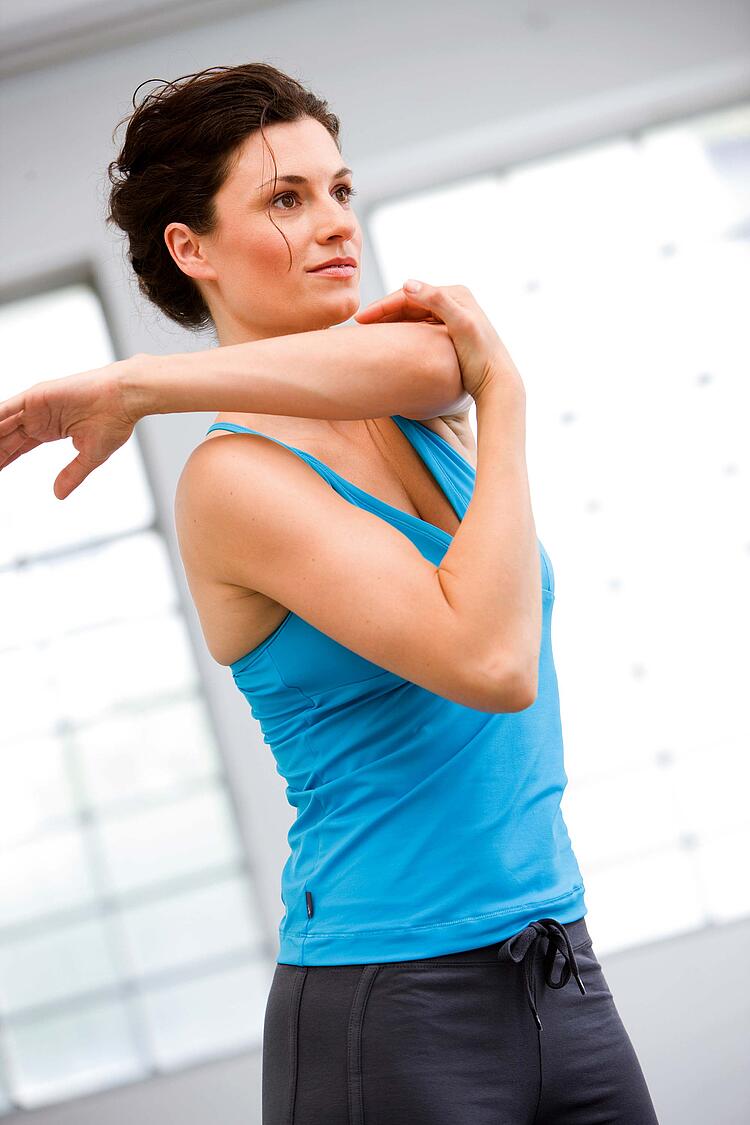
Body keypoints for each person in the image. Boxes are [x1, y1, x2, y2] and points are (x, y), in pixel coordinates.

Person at [0, 64, 660, 1125]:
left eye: (340, 190)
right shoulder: (234, 484)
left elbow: (432, 361)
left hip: (558, 966)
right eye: (285, 199)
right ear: (191, 248)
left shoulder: (410, 391)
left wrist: (136, 385)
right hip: (394, 1009)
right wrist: (512, 397)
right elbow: (492, 663)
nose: (334, 224)